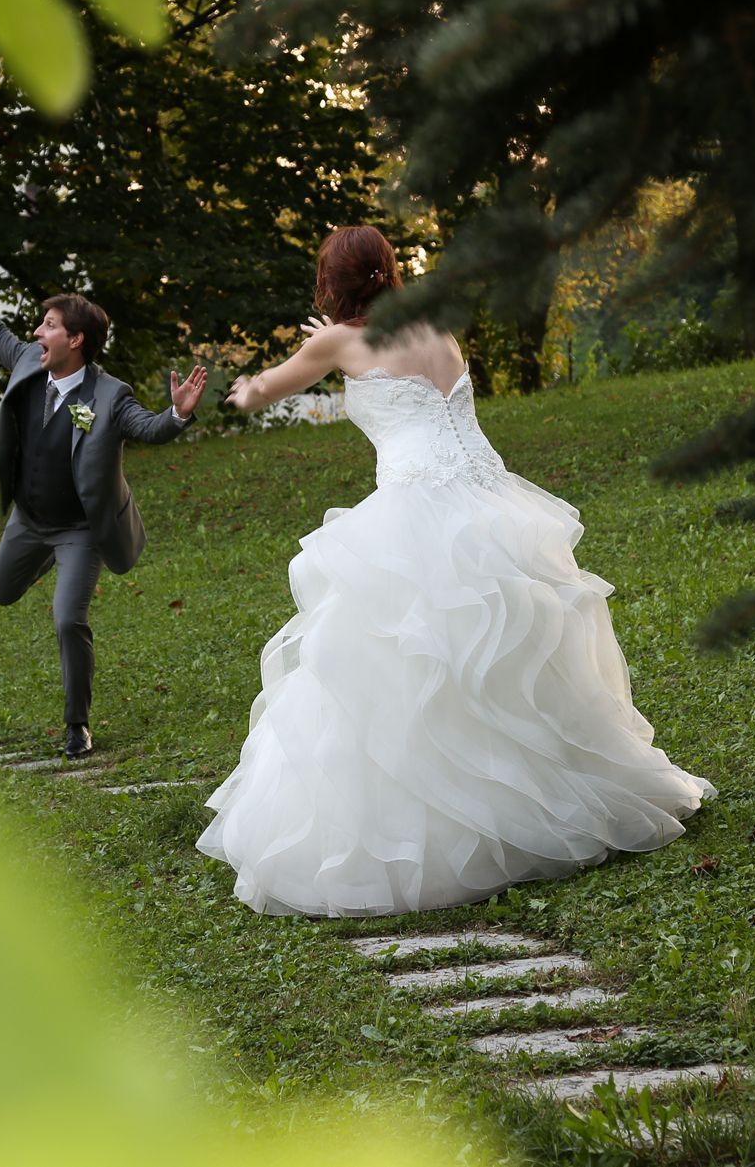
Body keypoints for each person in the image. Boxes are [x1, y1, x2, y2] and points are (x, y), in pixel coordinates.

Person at [196, 226, 714, 915]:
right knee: (502, 655)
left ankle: (446, 830)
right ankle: (541, 803)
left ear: (332, 281)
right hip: (490, 500)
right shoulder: (437, 329)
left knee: (404, 659)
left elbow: (261, 393)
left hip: (415, 504)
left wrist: (233, 389)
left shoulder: (334, 343)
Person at [0, 226, 206, 758]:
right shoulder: (28, 361)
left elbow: (148, 428)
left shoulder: (110, 395)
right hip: (28, 519)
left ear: (76, 341)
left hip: (79, 529)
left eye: (49, 325)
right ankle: (45, 561)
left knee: (69, 619)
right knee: (0, 592)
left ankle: (77, 725)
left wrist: (178, 413)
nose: (38, 332)